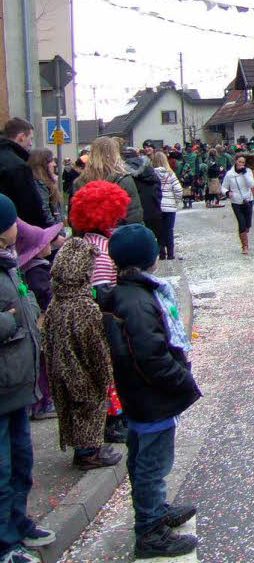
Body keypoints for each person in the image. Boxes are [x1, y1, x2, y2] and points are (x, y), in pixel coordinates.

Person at [100, 225, 200, 559]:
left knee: (147, 461)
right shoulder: (138, 301)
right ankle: (151, 529)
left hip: (141, 396)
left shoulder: (129, 294)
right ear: (147, 259)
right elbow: (151, 355)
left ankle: (156, 510)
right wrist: (182, 380)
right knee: (152, 465)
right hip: (151, 398)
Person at [0, 193, 57, 560]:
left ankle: (18, 523)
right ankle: (5, 543)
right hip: (2, 385)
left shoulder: (8, 263)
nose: (16, 227)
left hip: (17, 382)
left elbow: (22, 300)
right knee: (1, 469)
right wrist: (11, 320)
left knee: (21, 461)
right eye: (11, 221)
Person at [43, 238, 123, 471]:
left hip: (61, 368)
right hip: (82, 372)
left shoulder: (56, 303)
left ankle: (85, 449)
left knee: (73, 409)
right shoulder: (84, 307)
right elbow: (95, 348)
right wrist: (105, 375)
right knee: (89, 409)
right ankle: (88, 452)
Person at [69, 180, 132, 446]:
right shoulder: (103, 250)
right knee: (108, 374)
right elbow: (102, 290)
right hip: (103, 321)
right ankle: (112, 423)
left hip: (95, 319)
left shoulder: (86, 242)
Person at [16, 219, 62, 423]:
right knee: (44, 366)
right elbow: (45, 295)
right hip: (42, 324)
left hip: (39, 323)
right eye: (45, 243)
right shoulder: (38, 272)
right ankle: (43, 403)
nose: (49, 244)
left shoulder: (33, 269)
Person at [74, 137, 143, 225]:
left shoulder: (80, 182)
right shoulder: (124, 180)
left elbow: (75, 218)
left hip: (89, 236)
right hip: (118, 235)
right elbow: (134, 216)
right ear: (115, 155)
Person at [0, 118, 48, 228]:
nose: (31, 143)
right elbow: (31, 207)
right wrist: (49, 235)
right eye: (30, 138)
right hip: (13, 231)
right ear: (21, 137)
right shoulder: (18, 166)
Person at [123, 149, 163, 246]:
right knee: (154, 234)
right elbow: (158, 187)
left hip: (136, 211)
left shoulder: (125, 174)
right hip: (153, 207)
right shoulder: (149, 169)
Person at [151, 152, 182, 260]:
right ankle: (170, 253)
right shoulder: (170, 173)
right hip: (169, 207)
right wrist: (176, 202)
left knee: (159, 230)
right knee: (169, 230)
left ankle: (161, 253)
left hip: (157, 207)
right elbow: (178, 189)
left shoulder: (151, 175)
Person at [222, 154, 254, 254]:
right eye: (239, 162)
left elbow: (252, 184)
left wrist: (245, 173)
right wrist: (228, 193)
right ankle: (245, 246)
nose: (241, 164)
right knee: (241, 222)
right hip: (236, 201)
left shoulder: (248, 172)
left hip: (248, 200)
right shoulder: (229, 174)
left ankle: (246, 229)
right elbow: (223, 187)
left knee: (247, 224)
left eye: (243, 163)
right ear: (236, 161)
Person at [27, 150, 63, 228]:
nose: (54, 164)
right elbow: (44, 211)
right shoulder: (38, 183)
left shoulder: (45, 181)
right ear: (43, 164)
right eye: (51, 161)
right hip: (49, 233)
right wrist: (55, 233)